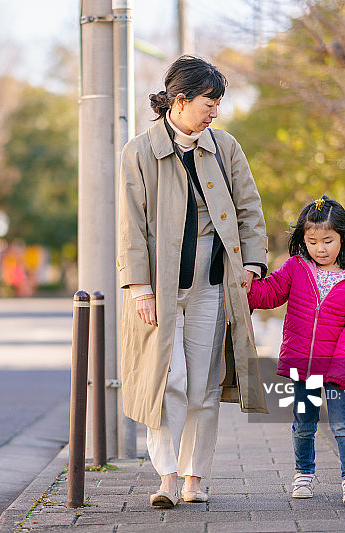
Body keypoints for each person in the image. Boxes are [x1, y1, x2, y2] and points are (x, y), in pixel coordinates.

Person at [117, 55, 269, 509]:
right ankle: (166, 477)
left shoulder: (224, 147)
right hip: (161, 288)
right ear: (179, 100)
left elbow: (249, 208)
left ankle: (192, 478)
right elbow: (131, 228)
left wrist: (254, 264)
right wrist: (140, 289)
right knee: (170, 379)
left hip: (213, 281)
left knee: (203, 382)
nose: (215, 112)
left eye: (218, 102)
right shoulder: (139, 152)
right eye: (209, 101)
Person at [247, 195, 345, 504]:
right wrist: (245, 283)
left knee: (342, 425)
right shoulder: (296, 267)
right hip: (302, 365)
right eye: (313, 241)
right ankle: (303, 476)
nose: (320, 248)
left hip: (338, 367)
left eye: (328, 241)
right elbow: (270, 293)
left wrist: (342, 367)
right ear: (303, 240)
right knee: (303, 425)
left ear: (342, 237)